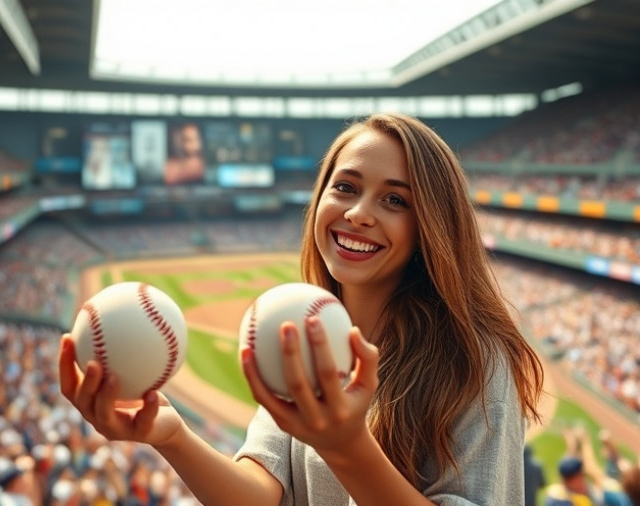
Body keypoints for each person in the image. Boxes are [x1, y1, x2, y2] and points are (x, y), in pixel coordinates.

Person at [59, 112, 544, 505]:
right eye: (346, 187)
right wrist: (172, 437)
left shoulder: (475, 360)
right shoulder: (298, 330)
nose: (358, 213)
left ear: (431, 227)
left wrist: (347, 447)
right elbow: (261, 496)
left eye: (395, 199)